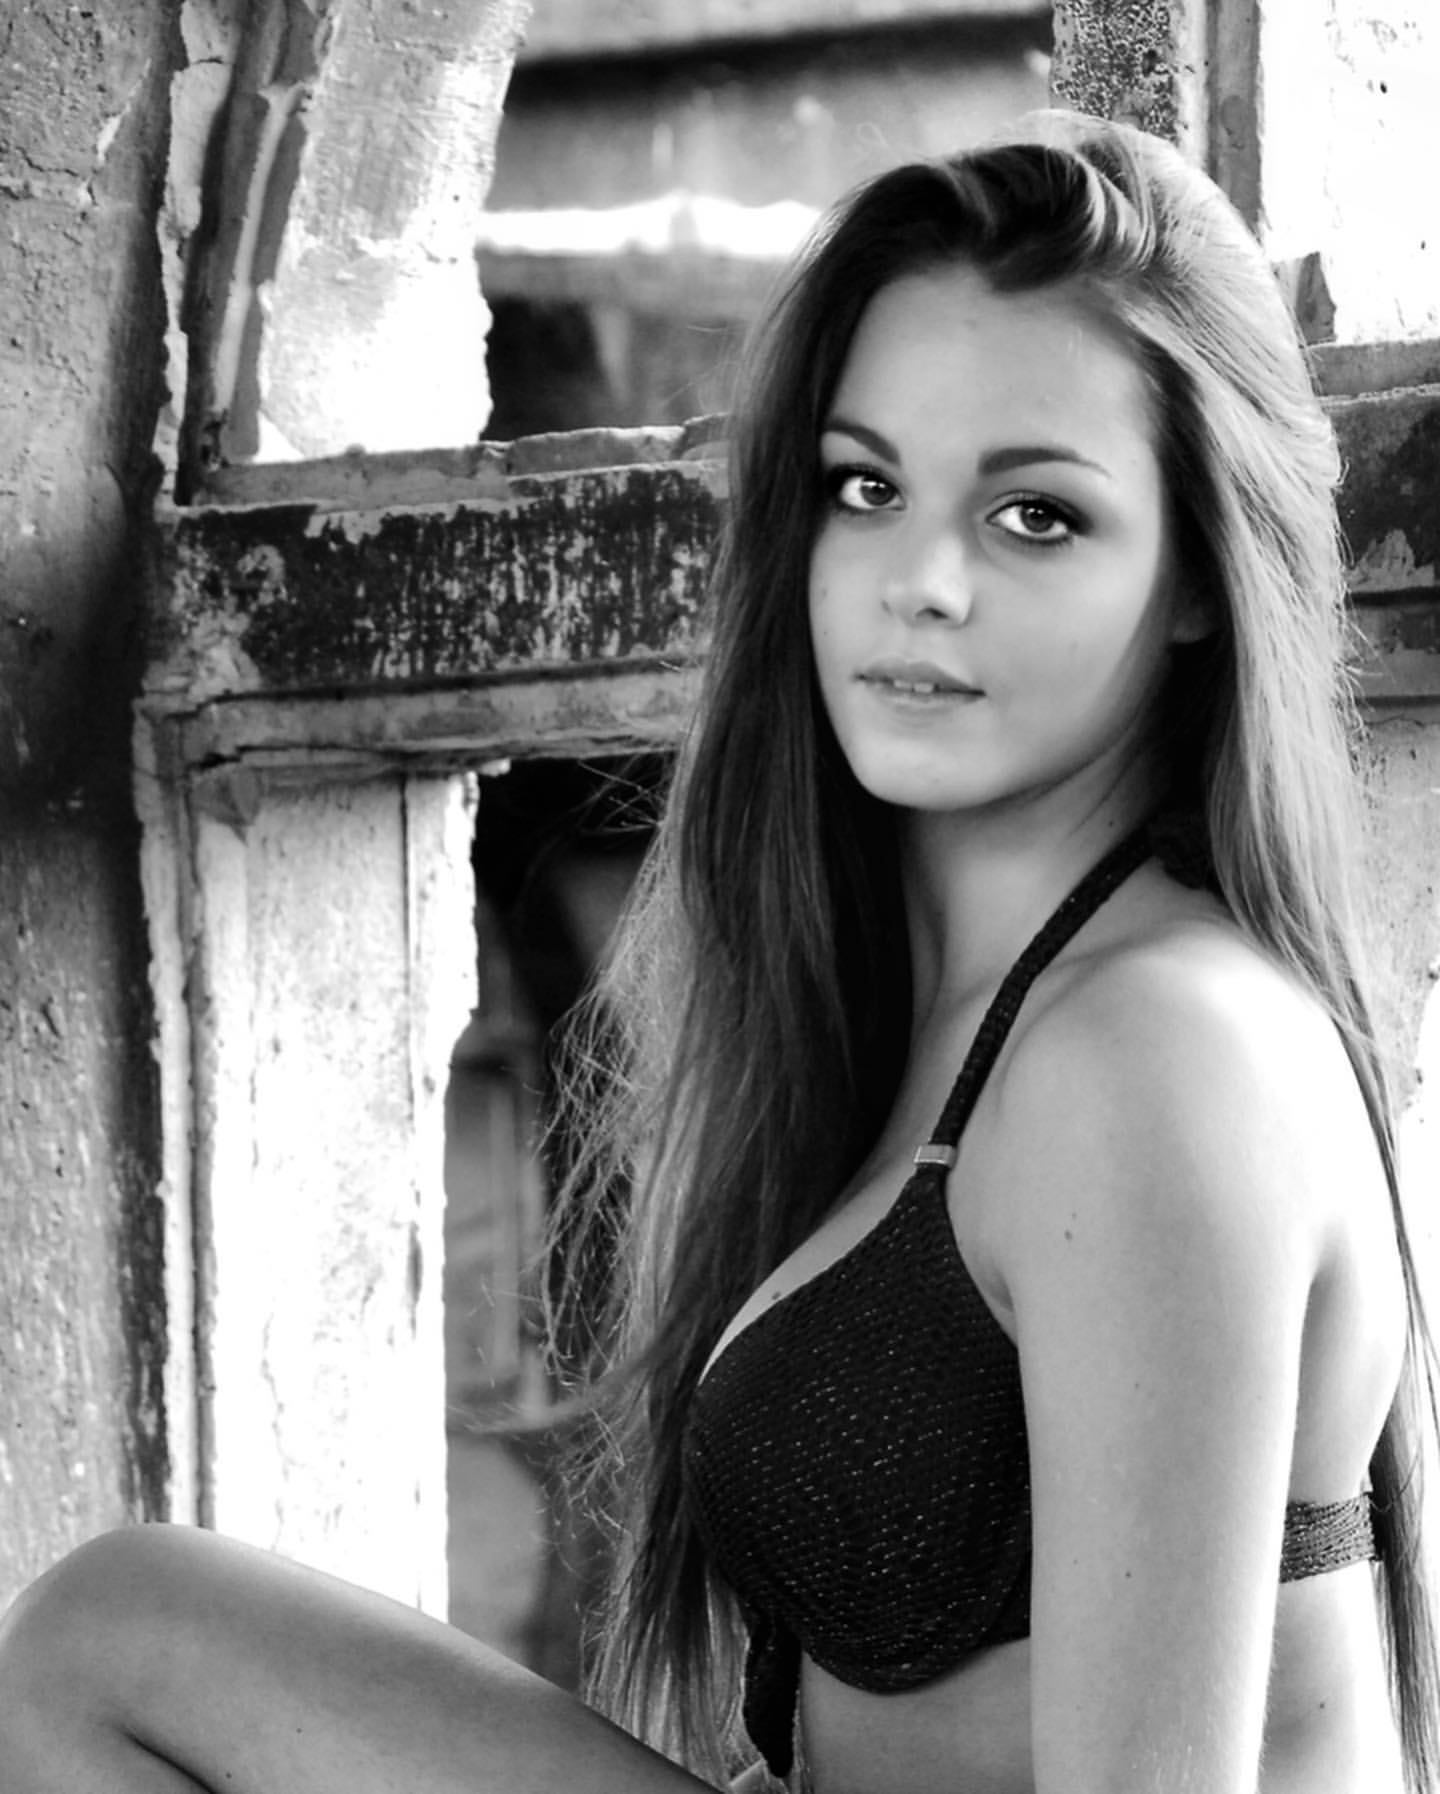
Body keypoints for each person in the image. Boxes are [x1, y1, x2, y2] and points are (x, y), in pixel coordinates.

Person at [0, 111, 1434, 1794]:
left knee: (114, 1635)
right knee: (121, 1636)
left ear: (1198, 572)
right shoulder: (938, 1011)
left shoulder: (1161, 1050)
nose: (922, 582)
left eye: (1036, 515)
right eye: (866, 487)